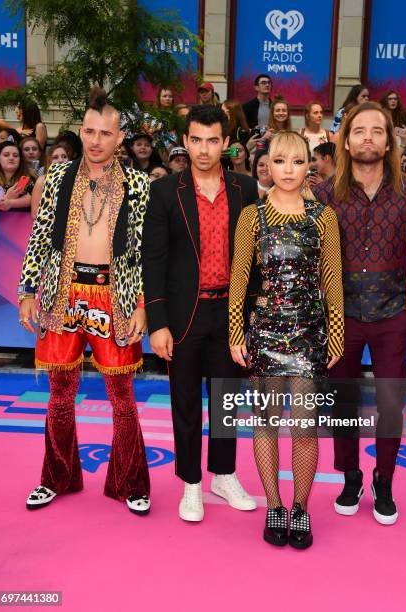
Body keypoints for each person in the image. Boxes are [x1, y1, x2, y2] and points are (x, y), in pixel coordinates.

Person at [17, 87, 150, 515]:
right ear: (81, 131)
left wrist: (143, 304)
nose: (95, 141)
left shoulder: (139, 185)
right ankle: (56, 477)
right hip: (63, 294)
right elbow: (39, 238)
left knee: (122, 396)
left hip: (116, 296)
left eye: (104, 133)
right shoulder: (55, 178)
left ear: (119, 136)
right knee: (59, 393)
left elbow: (145, 250)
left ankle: (130, 483)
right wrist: (26, 292)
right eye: (88, 131)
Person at [142, 104, 259, 522]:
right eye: (196, 140)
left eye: (213, 140)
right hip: (184, 314)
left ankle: (223, 474)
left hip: (231, 313)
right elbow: (153, 260)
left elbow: (255, 258)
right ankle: (191, 483)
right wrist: (157, 323)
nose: (204, 149)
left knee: (227, 400)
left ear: (226, 143)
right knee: (186, 401)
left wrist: (252, 316)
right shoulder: (164, 191)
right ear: (185, 141)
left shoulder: (245, 189)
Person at [313, 101, 406, 526]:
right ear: (346, 139)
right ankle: (351, 476)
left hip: (392, 315)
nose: (367, 138)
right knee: (342, 402)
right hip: (341, 318)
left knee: (390, 404)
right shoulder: (324, 194)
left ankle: (384, 479)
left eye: (376, 131)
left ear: (388, 140)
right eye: (359, 130)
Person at [229, 131, 344, 548]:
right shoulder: (251, 216)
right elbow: (239, 277)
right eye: (280, 161)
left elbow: (331, 280)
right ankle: (274, 505)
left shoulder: (323, 217)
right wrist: (235, 333)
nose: (289, 170)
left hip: (311, 333)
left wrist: (335, 336)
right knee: (265, 423)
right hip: (263, 333)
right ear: (267, 165)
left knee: (305, 427)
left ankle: (300, 508)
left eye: (297, 162)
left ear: (308, 166)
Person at [30, 143, 71, 218]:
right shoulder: (42, 180)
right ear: (49, 161)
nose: (61, 160)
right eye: (55, 157)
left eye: (64, 156)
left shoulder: (75, 179)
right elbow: (34, 214)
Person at [0, 141, 34, 213]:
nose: (11, 158)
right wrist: (7, 198)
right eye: (6, 155)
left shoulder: (29, 179)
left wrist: (11, 202)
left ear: (20, 160)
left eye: (15, 155)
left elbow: (34, 198)